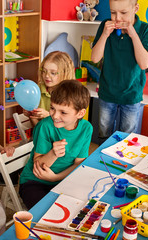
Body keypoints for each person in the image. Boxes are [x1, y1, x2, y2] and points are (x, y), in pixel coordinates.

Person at [19, 80, 93, 209]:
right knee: (46, 212)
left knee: (85, 205)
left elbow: (78, 163)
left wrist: (56, 178)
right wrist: (53, 153)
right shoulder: (45, 126)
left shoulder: (86, 128)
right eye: (52, 108)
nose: (55, 115)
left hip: (64, 179)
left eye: (63, 112)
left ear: (80, 113)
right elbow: (39, 166)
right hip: (35, 181)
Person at [91, 0, 148, 143]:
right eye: (113, 12)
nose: (117, 18)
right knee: (104, 136)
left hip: (132, 94)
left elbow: (144, 64)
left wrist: (133, 35)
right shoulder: (105, 26)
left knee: (127, 140)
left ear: (135, 8)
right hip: (107, 92)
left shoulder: (145, 29)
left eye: (123, 13)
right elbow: (95, 58)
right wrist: (105, 35)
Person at [24, 51, 75, 126]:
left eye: (53, 73)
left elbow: (69, 128)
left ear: (65, 73)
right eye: (44, 71)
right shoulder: (37, 90)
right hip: (42, 134)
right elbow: (38, 131)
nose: (47, 76)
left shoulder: (71, 94)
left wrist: (48, 116)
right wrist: (32, 116)